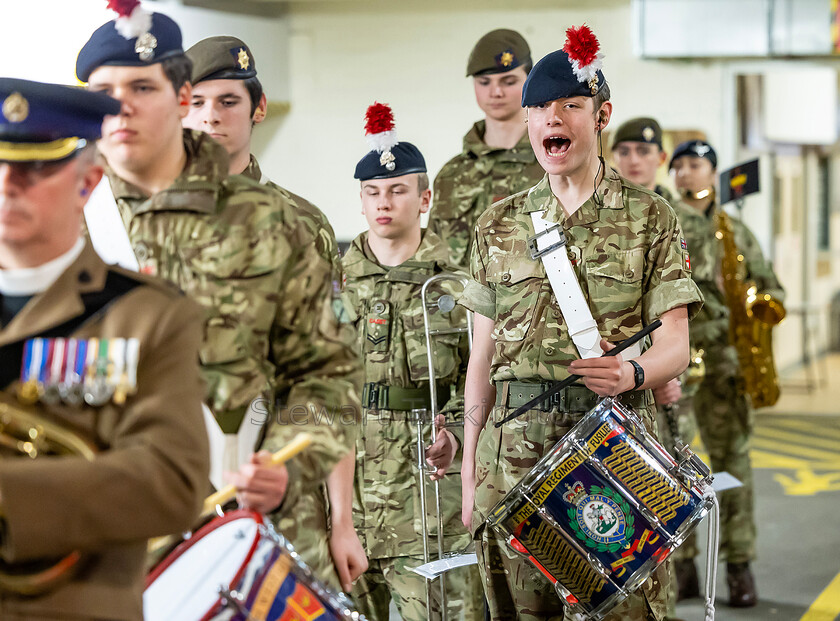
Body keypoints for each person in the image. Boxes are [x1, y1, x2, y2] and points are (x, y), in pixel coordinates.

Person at [76, 2, 362, 555]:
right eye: (108, 94)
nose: (125, 110)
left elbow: (330, 371)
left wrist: (320, 498)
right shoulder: (62, 211)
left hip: (256, 497)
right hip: (116, 512)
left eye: (143, 89)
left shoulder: (277, 221)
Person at [458, 25, 704, 620]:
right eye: (540, 107)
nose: (552, 119)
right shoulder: (498, 225)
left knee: (620, 610)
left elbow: (675, 343)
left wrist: (631, 372)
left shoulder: (649, 217)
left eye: (569, 105)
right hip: (509, 460)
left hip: (611, 450)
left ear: (600, 115)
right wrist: (469, 476)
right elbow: (480, 363)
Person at [0, 77, 208, 619]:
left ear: (88, 181)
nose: (7, 183)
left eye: (35, 166)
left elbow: (172, 481)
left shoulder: (150, 314)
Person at [182, 34, 366, 593]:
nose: (211, 118)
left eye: (229, 101)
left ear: (258, 107)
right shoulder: (140, 220)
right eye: (197, 103)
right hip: (172, 480)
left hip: (277, 482)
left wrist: (341, 521)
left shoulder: (302, 223)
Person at [341, 103, 480, 621]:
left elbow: (481, 378)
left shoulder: (456, 284)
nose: (384, 203)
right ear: (360, 200)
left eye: (397, 190)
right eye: (373, 192)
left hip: (430, 502)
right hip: (347, 501)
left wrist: (460, 439)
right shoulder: (331, 282)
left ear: (424, 199)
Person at [670, 139, 784, 607]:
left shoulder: (735, 233)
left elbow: (770, 285)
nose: (684, 174)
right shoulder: (661, 223)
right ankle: (683, 567)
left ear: (712, 173)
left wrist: (758, 297)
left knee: (732, 465)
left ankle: (739, 566)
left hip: (724, 365)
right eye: (677, 166)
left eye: (694, 165)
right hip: (674, 365)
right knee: (674, 471)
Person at [611, 118, 711, 612]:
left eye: (643, 152)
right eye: (624, 150)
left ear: (659, 159)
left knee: (671, 491)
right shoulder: (605, 218)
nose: (633, 160)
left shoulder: (680, 220)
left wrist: (677, 372)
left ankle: (685, 571)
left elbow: (698, 310)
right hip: (623, 386)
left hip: (673, 382)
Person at [429, 28, 544, 268]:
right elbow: (435, 259)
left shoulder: (552, 162)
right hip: (460, 302)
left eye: (509, 81)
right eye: (484, 82)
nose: (495, 92)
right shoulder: (451, 174)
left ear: (530, 81)